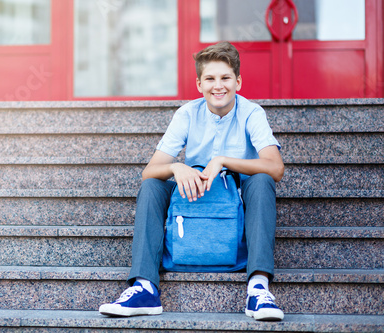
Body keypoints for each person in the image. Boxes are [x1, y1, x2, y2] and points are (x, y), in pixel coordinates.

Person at [99, 41, 285, 321]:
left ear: (238, 81)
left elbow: (275, 167)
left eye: (225, 78)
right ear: (199, 84)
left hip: (239, 199)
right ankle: (145, 286)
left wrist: (222, 160)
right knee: (153, 186)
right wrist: (176, 167)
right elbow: (149, 171)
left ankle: (258, 288)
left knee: (261, 181)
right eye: (210, 78)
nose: (218, 86)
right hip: (195, 191)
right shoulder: (187, 113)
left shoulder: (252, 113)